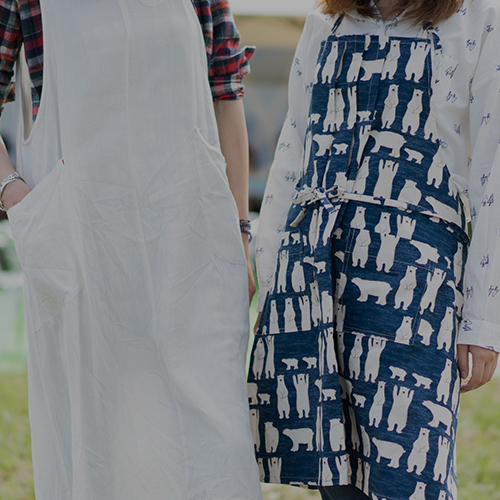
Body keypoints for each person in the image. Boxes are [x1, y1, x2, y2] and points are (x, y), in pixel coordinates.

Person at [0, 1, 263, 499]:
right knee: (99, 447)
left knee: (215, 449)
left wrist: (240, 234)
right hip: (80, 246)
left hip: (192, 247)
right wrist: (14, 193)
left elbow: (227, 92)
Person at [249, 0, 500, 499]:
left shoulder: (478, 19)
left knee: (408, 475)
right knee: (333, 476)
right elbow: (292, 152)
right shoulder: (326, 22)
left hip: (415, 285)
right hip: (313, 269)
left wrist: (484, 318)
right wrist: (273, 277)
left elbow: (493, 176)